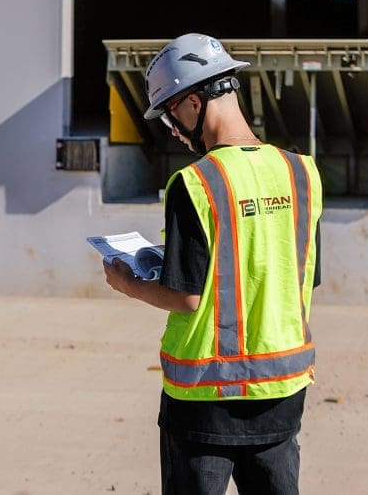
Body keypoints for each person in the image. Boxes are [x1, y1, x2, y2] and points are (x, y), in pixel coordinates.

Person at [103, 32, 322, 495]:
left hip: (204, 398)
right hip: (282, 393)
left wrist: (129, 284)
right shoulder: (301, 172)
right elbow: (298, 275)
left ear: (191, 102)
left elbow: (187, 295)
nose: (174, 130)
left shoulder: (195, 182)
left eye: (169, 116)